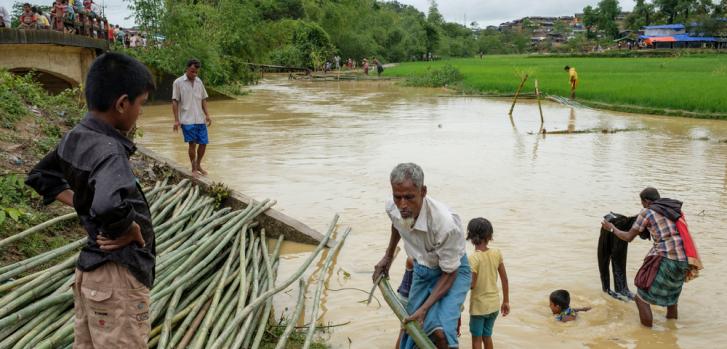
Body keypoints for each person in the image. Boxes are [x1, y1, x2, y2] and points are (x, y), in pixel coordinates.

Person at [25, 52, 156, 348]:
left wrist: (82, 202)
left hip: (90, 274)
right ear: (123, 104)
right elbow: (109, 205)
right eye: (141, 105)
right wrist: (129, 229)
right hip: (117, 278)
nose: (141, 113)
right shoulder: (111, 152)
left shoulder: (76, 137)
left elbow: (40, 176)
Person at [373, 163, 471, 349]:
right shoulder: (393, 208)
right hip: (422, 269)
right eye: (397, 197)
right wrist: (387, 257)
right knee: (411, 326)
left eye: (409, 197)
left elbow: (450, 272)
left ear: (423, 191)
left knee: (440, 332)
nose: (402, 205)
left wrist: (424, 309)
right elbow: (396, 224)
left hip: (452, 272)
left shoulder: (445, 223)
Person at [601, 187, 702, 327]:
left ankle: (647, 335)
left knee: (641, 299)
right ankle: (671, 332)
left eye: (642, 203)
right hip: (685, 260)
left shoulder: (647, 212)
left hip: (667, 259)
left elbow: (628, 237)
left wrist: (611, 228)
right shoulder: (673, 210)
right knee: (672, 299)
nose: (642, 206)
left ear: (647, 201)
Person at [467, 218, 509, 349]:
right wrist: (506, 301)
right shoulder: (496, 253)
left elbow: (472, 284)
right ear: (490, 236)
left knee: (476, 340)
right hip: (494, 305)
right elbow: (505, 280)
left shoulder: (473, 258)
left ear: (470, 236)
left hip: (479, 308)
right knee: (487, 336)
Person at [172, 59, 212, 176]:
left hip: (200, 118)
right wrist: (176, 120)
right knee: (192, 144)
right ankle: (193, 168)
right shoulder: (178, 82)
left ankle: (198, 164)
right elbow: (174, 101)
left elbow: (203, 99)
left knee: (203, 143)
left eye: (196, 72)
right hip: (187, 119)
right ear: (187, 69)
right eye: (192, 71)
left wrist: (208, 115)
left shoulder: (199, 82)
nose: (194, 74)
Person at [599, 213, 637, 300]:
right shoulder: (649, 215)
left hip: (614, 226)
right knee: (611, 262)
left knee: (608, 262)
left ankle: (610, 290)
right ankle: (613, 290)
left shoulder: (643, 217)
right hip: (616, 227)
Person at [395, 256, 414, 349]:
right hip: (408, 298)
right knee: (405, 330)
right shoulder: (413, 257)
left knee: (404, 330)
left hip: (405, 295)